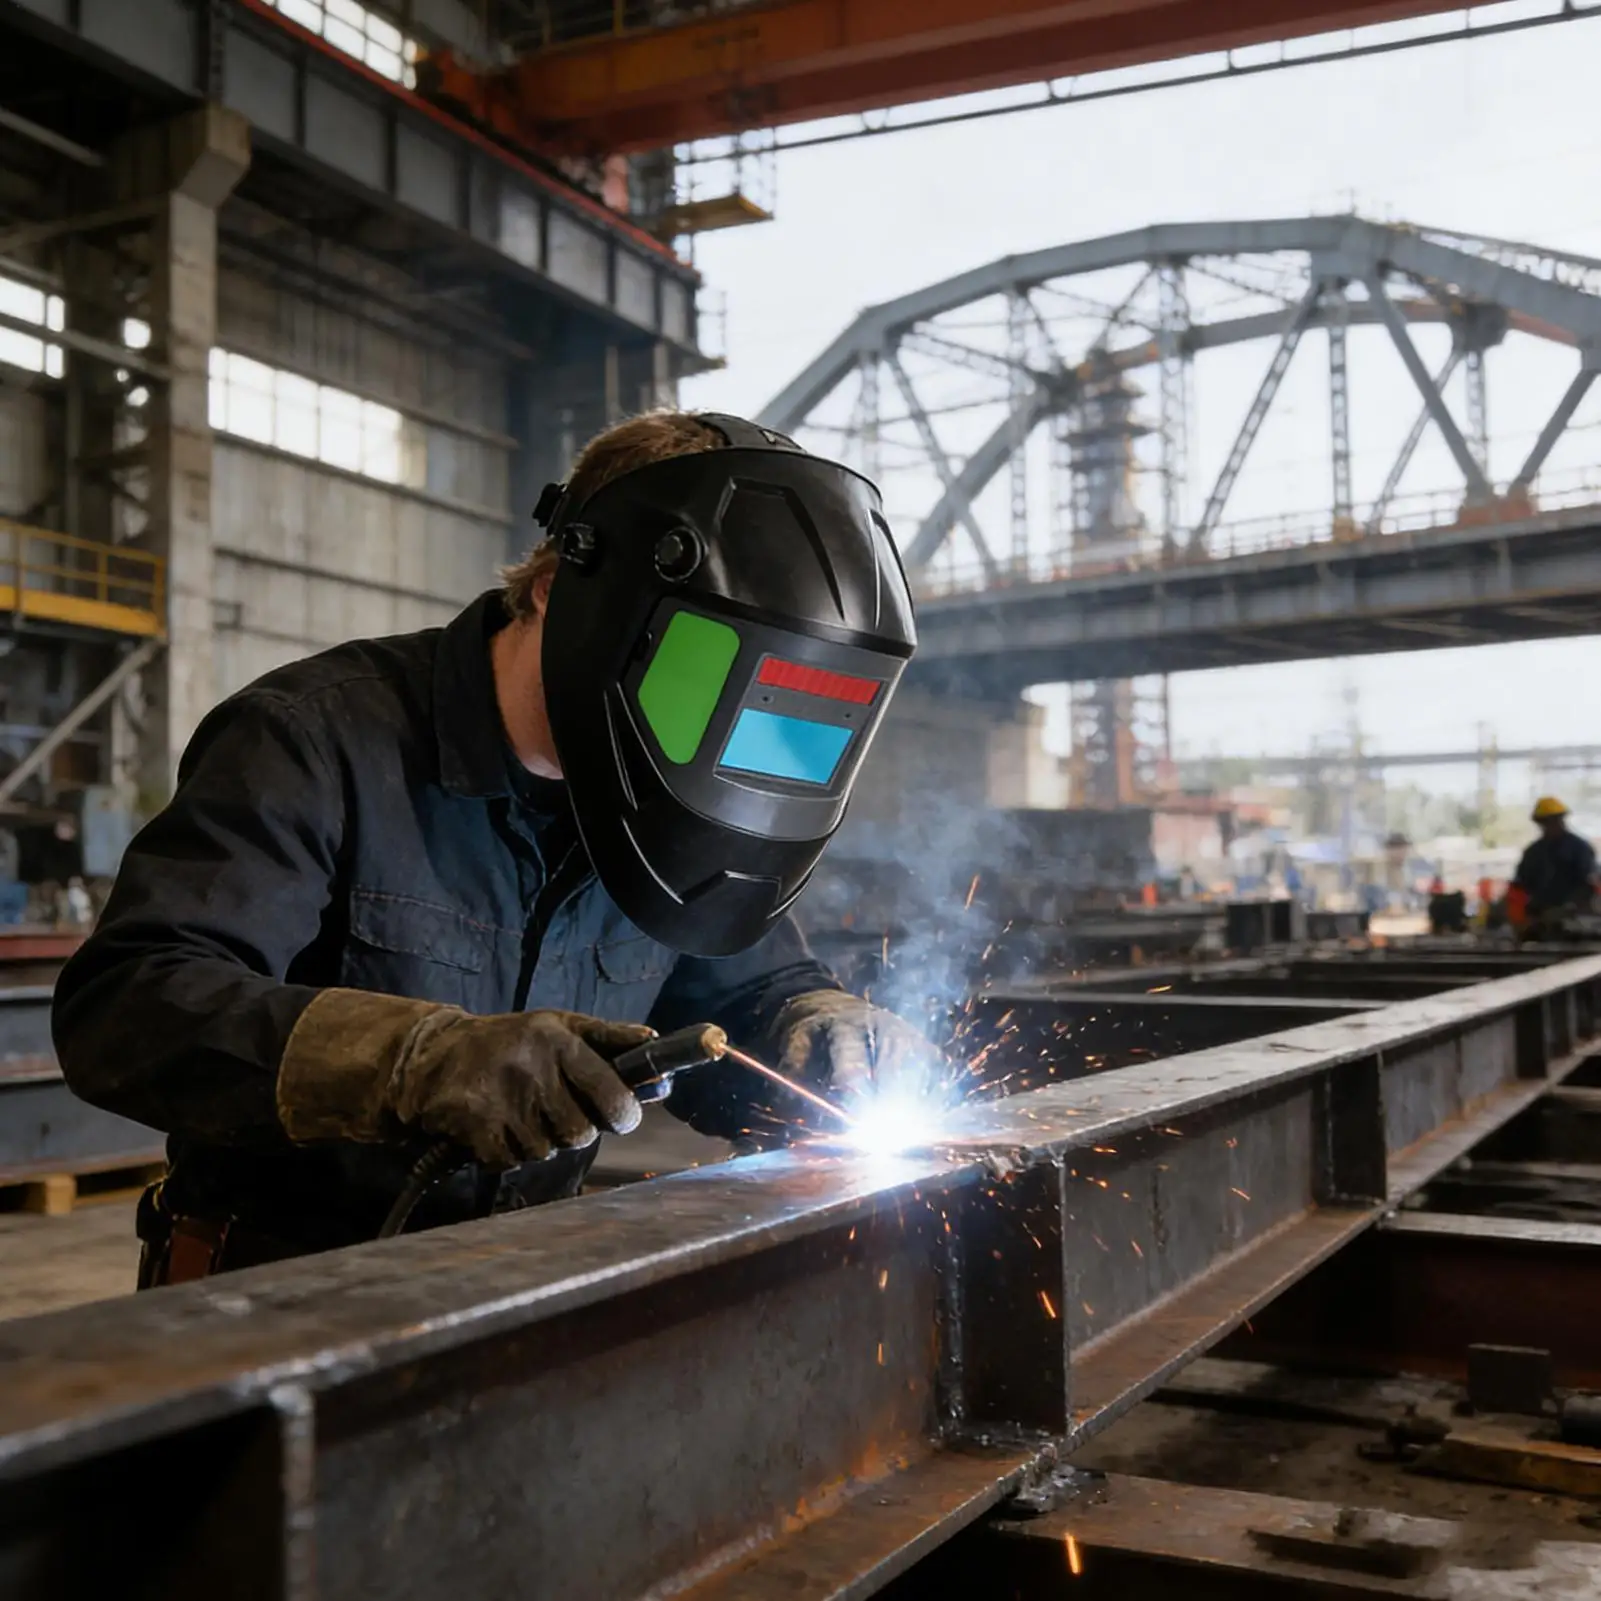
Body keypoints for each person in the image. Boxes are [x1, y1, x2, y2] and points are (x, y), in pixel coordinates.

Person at [52, 411, 932, 1285]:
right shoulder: (314, 738)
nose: (730, 736)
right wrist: (412, 1061)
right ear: (557, 587)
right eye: (704, 679)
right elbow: (131, 1006)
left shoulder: (674, 803)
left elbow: (737, 998)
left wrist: (811, 1027)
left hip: (516, 1299)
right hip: (264, 1303)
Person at [1512, 797, 1597, 923]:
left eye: (1555, 820)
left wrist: (1572, 906)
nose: (1552, 825)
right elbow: (1520, 886)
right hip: (1541, 916)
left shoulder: (1580, 849)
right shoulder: (1533, 852)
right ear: (1540, 824)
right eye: (1547, 822)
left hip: (1576, 915)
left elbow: (1590, 882)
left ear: (1562, 820)